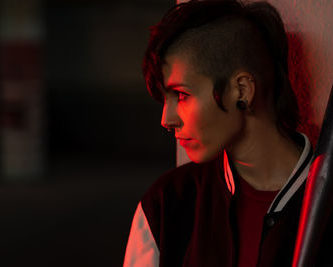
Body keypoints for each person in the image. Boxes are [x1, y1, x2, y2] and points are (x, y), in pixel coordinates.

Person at [124, 0, 313, 266]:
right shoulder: (166, 206)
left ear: (242, 90)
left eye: (182, 94)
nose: (167, 120)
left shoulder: (332, 200)